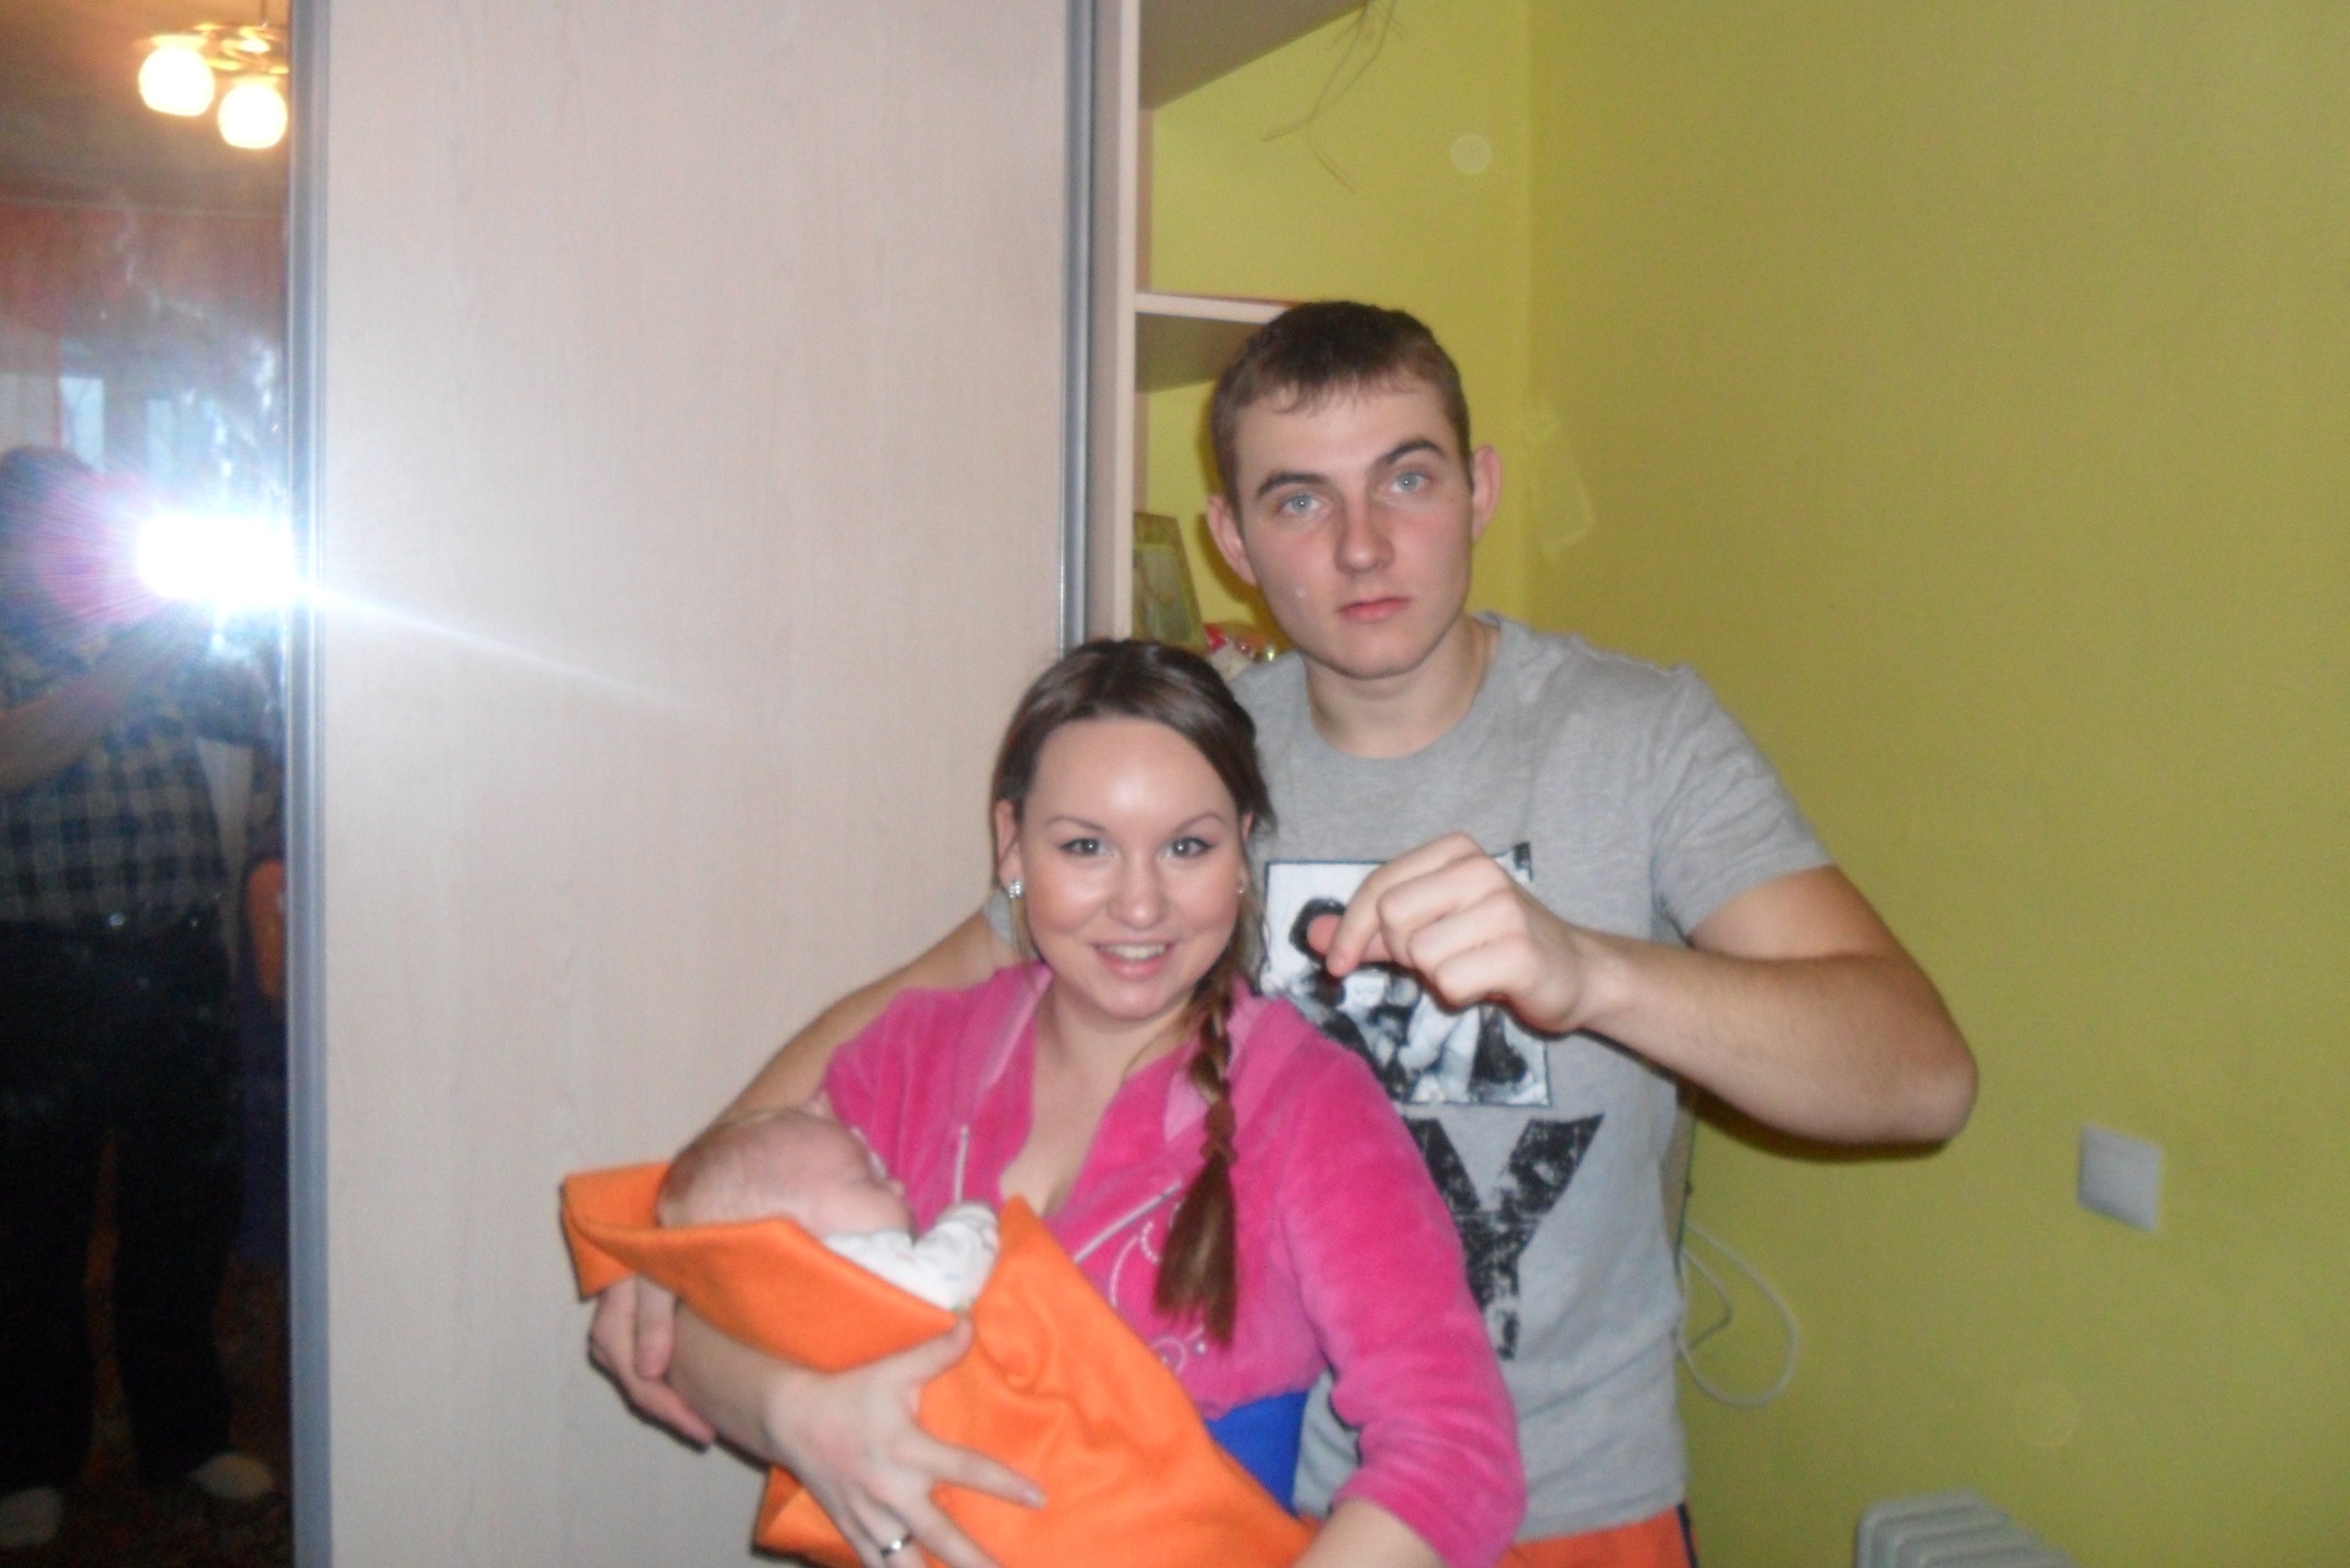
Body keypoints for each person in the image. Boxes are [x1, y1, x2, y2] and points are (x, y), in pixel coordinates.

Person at [592, 302, 1979, 1567]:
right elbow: (923, 1005)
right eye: (1300, 500)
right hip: (1228, 1502)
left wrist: (1592, 971)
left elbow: (1918, 1076)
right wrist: (676, 1240)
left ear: (1480, 489)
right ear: (1233, 541)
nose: (1362, 546)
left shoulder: (1637, 740)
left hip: (1564, 1504)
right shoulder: (1188, 764)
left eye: (1408, 480)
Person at [654, 640, 1525, 1568]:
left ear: (1242, 849)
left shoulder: (1308, 1107)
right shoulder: (907, 1057)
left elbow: (1454, 1457)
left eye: (1187, 847)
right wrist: (796, 1414)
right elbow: (696, 1310)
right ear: (1011, 844)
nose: (1140, 905)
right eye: (1085, 847)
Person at [0, 448, 278, 1551]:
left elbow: (263, 713)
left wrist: (209, 623)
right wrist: (130, 660)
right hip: (37, 970)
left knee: (185, 1211)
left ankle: (185, 1435)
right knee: (32, 1227)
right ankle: (30, 1458)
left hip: (174, 960)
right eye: (58, 530)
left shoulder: (151, 631)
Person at [656, 1103, 1001, 1312]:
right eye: (868, 1179)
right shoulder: (845, 1264)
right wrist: (970, 1219)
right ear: (790, 1235)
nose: (898, 1185)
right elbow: (940, 1284)